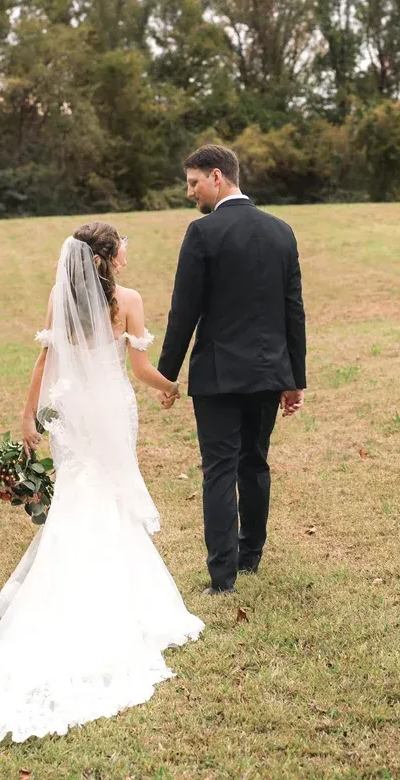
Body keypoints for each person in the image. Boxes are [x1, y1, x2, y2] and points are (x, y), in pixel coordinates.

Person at [0, 223, 202, 741]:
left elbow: (44, 359)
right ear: (108, 256)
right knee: (107, 491)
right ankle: (110, 591)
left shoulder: (59, 297)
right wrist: (170, 389)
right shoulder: (127, 300)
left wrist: (27, 416)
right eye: (123, 244)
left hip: (70, 412)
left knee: (80, 492)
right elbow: (140, 368)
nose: (129, 250)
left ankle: (68, 577)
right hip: (110, 408)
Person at [157, 145, 307, 596]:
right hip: (267, 375)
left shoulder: (203, 233)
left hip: (218, 377)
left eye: (194, 182)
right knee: (254, 462)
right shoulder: (282, 232)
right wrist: (294, 378)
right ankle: (250, 556)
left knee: (220, 470)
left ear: (217, 177)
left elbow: (184, 311)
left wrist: (167, 374)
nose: (191, 193)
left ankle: (223, 578)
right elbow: (292, 311)